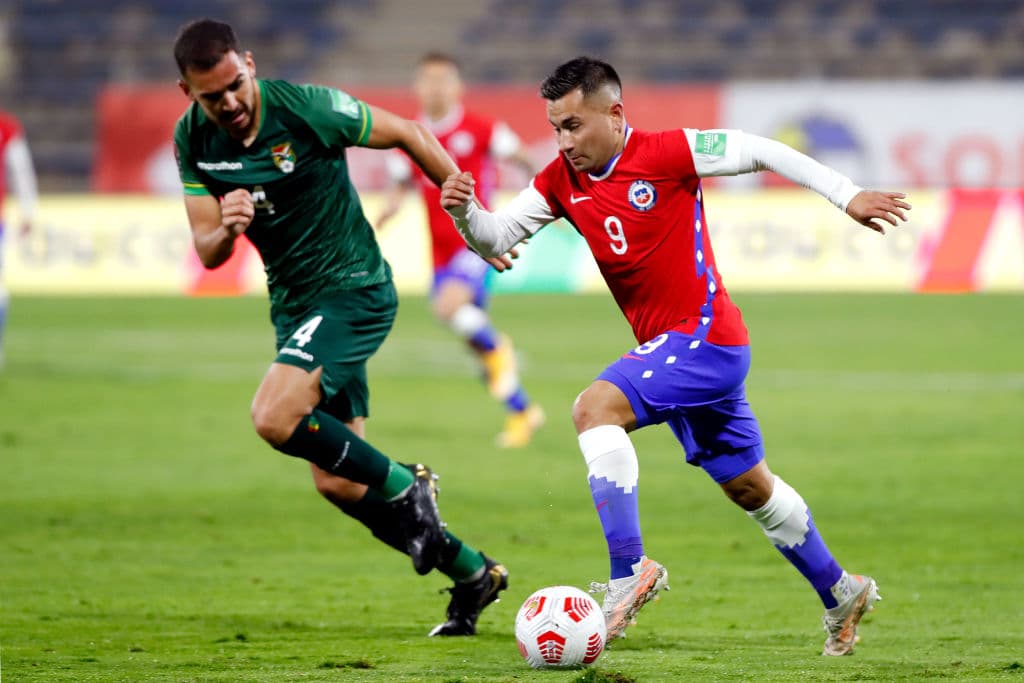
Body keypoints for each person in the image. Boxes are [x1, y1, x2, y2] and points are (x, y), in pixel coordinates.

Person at [441, 57, 911, 654]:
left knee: (593, 410)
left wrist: (847, 196)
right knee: (749, 487)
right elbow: (497, 237)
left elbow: (765, 150)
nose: (563, 141)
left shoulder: (669, 153)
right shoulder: (562, 178)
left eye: (574, 126)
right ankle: (841, 589)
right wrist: (464, 211)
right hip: (675, 350)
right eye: (556, 127)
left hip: (706, 336)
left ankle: (628, 572)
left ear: (614, 114)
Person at [172, 19, 508, 637]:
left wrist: (473, 223)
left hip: (354, 288)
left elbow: (408, 131)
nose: (230, 103)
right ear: (188, 93)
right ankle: (471, 573)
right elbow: (208, 248)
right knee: (335, 481)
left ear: (248, 65)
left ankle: (410, 484)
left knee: (273, 417)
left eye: (236, 86)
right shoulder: (192, 140)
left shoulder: (305, 108)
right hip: (296, 307)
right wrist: (228, 226)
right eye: (211, 96)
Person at [377, 52, 544, 448]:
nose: (435, 88)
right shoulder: (411, 136)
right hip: (439, 252)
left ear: (457, 86)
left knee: (447, 307)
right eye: (428, 81)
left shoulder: (482, 129)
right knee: (475, 345)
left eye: (443, 80)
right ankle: (522, 411)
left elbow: (523, 158)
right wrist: (391, 207)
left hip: (478, 243)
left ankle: (501, 349)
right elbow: (402, 182)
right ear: (418, 86)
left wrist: (545, 196)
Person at [0, 109, 38, 368]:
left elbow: (20, 170)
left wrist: (27, 210)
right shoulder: (6, 126)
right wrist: (27, 210)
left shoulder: (7, 127)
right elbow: (21, 170)